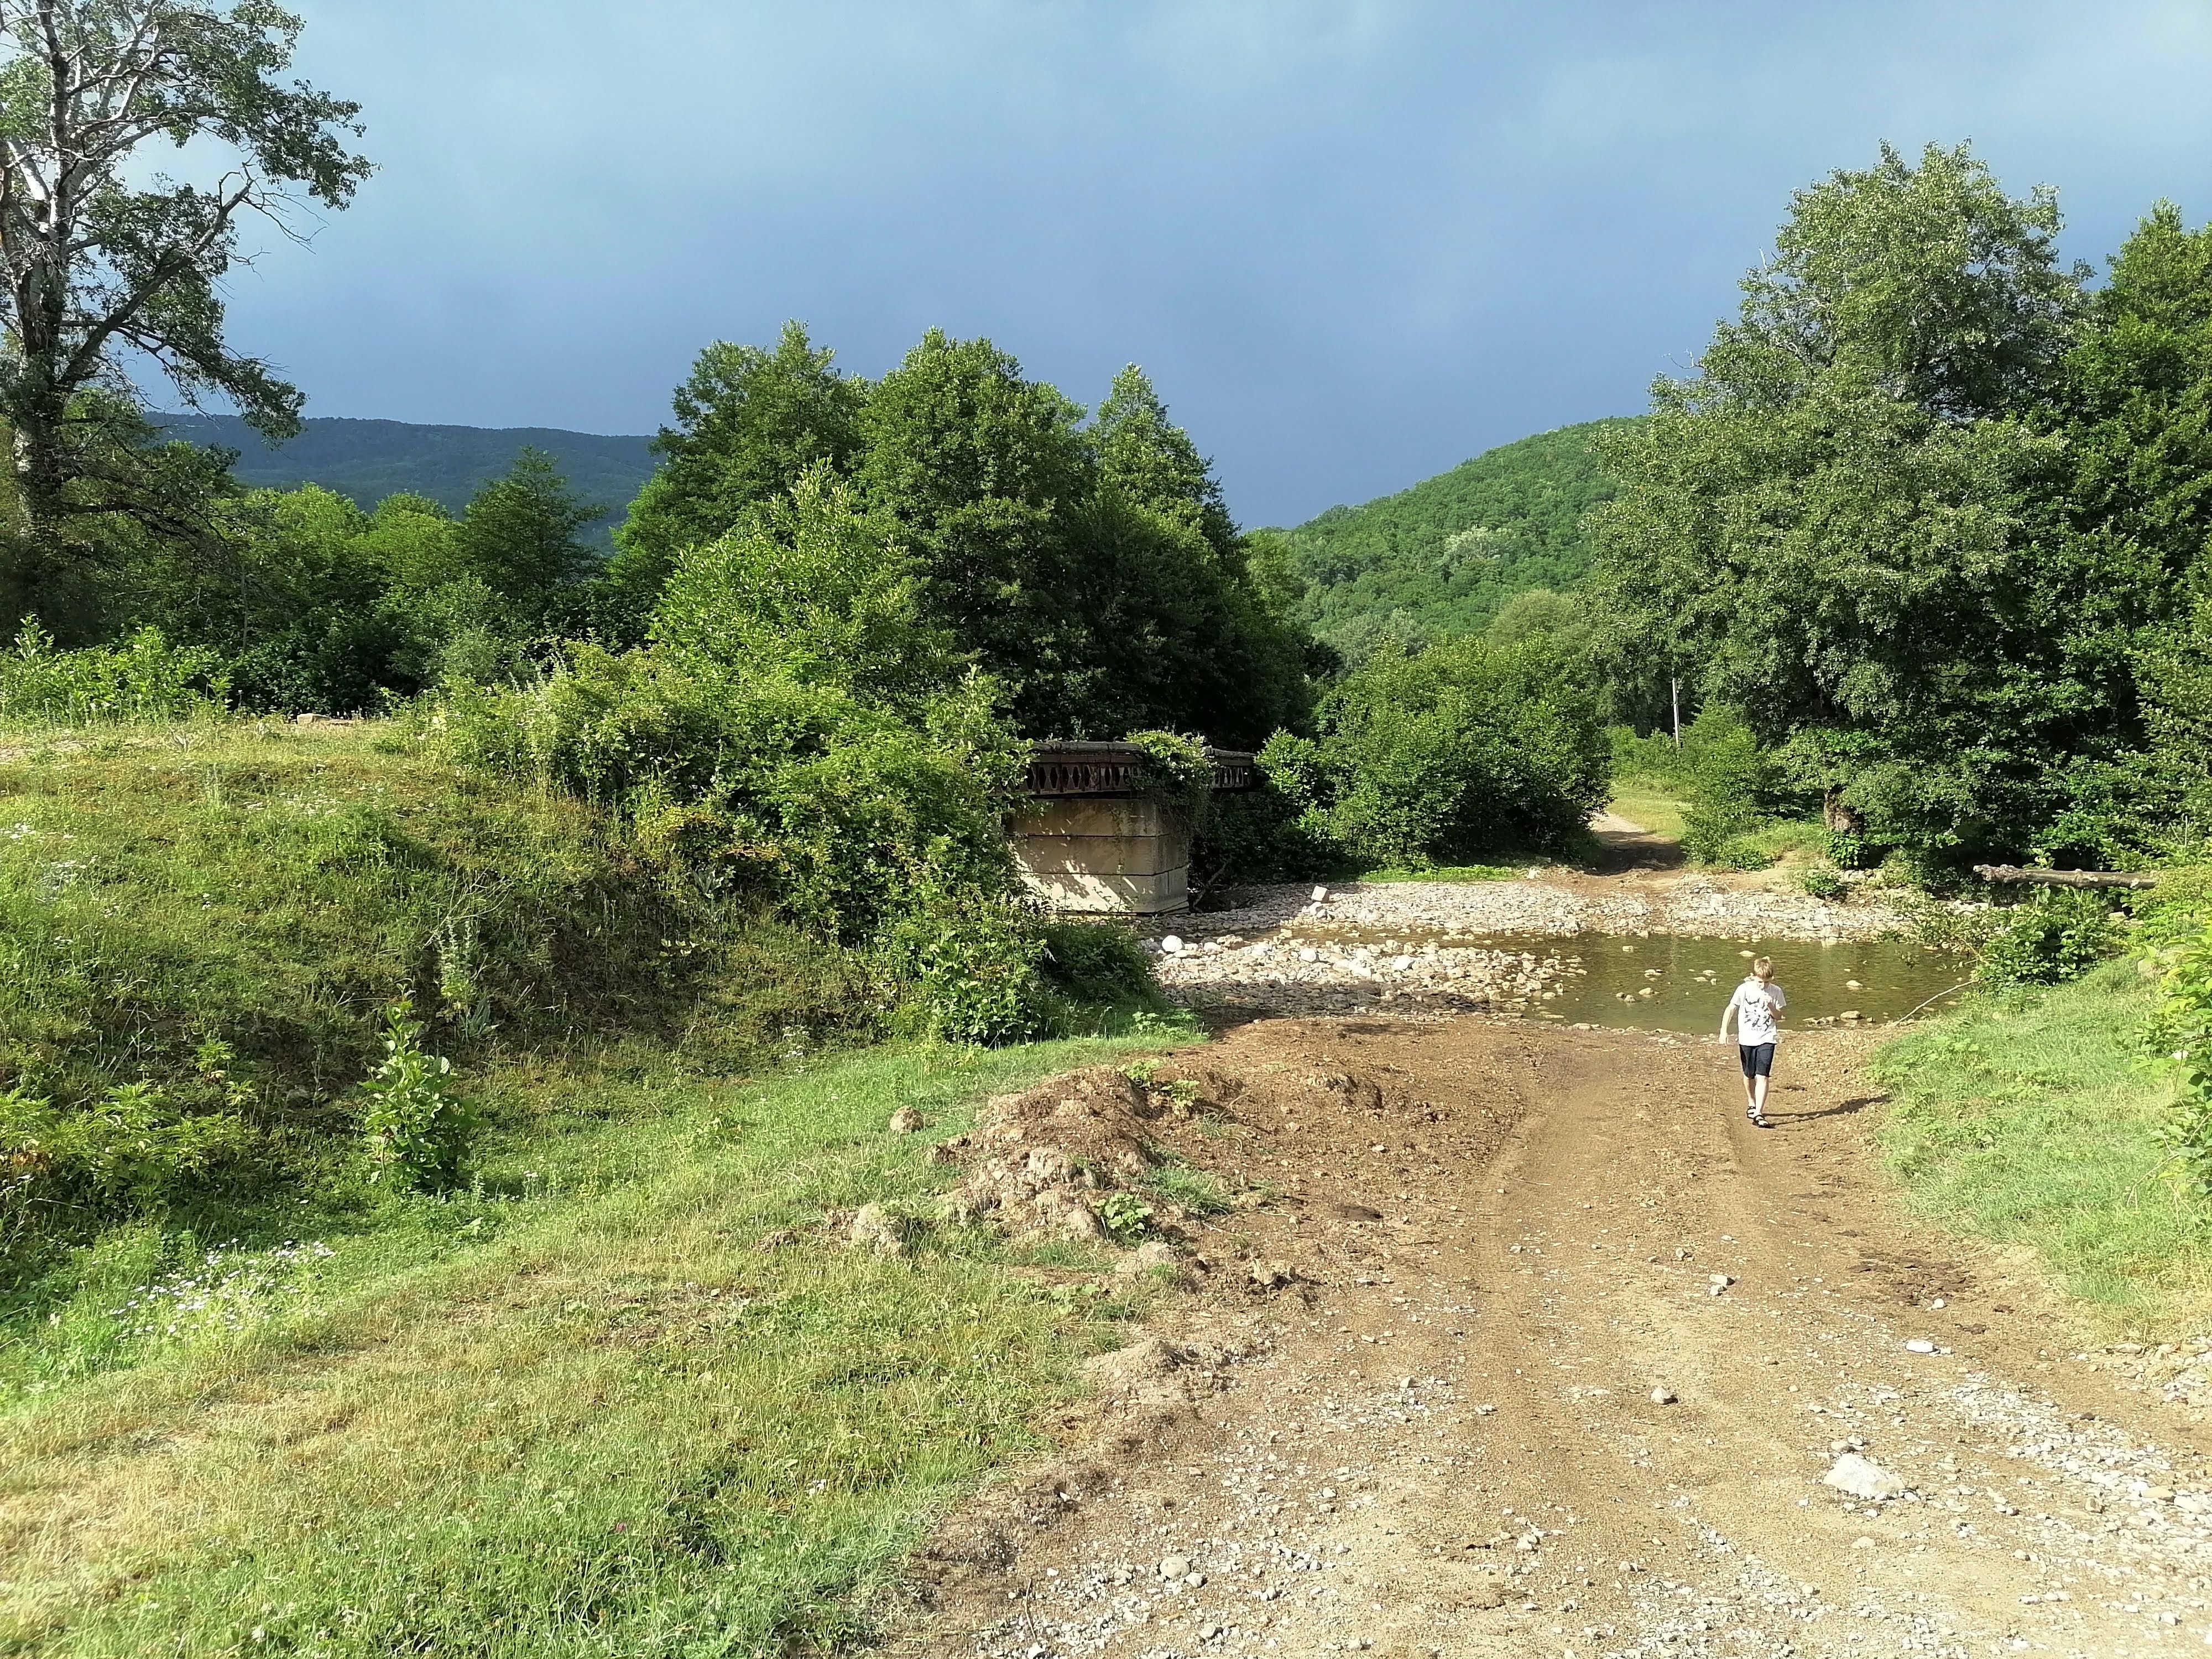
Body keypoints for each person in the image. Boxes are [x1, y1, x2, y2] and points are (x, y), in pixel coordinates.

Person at [1718, 956, 1786, 1128]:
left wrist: (1771, 1006)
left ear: (1772, 979)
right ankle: (1751, 1102)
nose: (1763, 985)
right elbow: (1731, 1008)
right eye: (1760, 982)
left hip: (1767, 1037)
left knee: (1763, 1076)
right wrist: (1724, 1031)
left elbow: (1779, 1016)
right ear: (1753, 976)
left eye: (1766, 982)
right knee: (1749, 1075)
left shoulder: (1776, 991)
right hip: (1747, 1038)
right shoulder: (1744, 989)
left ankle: (1759, 1114)